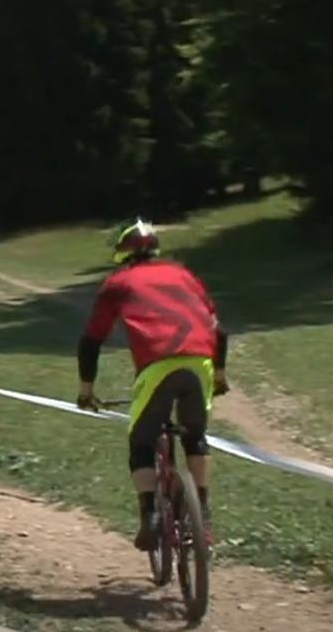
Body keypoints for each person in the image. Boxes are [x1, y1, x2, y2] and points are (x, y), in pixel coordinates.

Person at [75, 219, 229, 550]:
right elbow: (220, 331)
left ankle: (150, 515)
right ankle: (202, 515)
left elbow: (91, 341)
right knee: (195, 436)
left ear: (121, 252)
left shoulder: (118, 283)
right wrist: (219, 376)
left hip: (158, 365)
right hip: (200, 362)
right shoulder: (184, 275)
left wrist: (86, 390)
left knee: (141, 442)